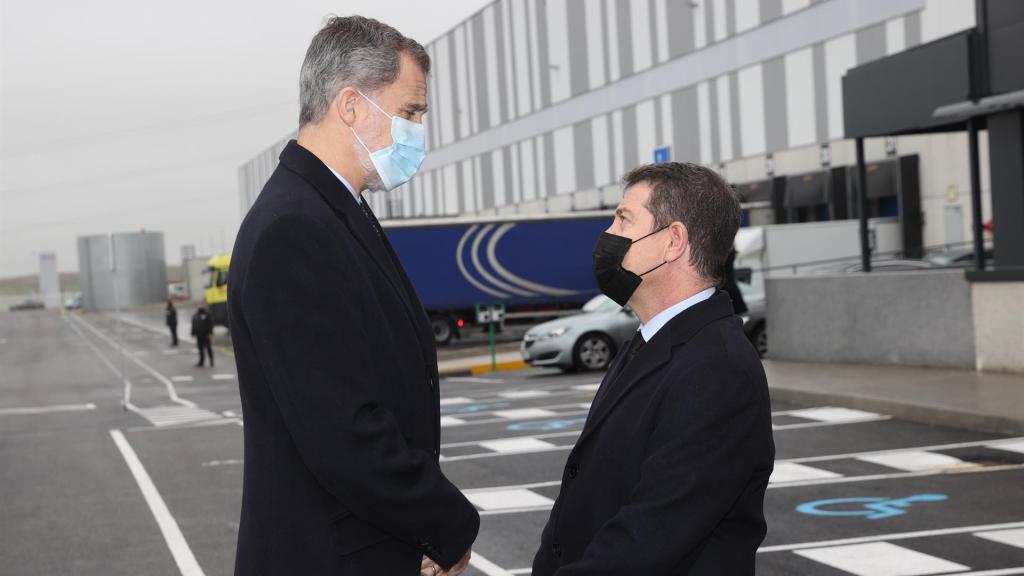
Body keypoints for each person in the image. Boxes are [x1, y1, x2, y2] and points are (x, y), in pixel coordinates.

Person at [227, 16, 478, 576]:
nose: (418, 130)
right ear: (350, 105)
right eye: (410, 112)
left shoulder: (332, 210)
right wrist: (446, 524)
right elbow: (341, 427)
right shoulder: (294, 228)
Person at [532, 163, 775, 576]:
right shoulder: (648, 342)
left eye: (623, 219)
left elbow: (649, 538)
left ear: (672, 241)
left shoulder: (718, 371)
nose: (608, 234)